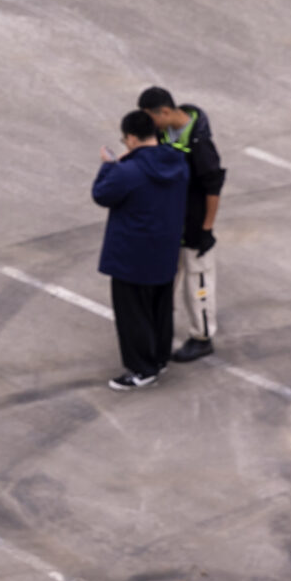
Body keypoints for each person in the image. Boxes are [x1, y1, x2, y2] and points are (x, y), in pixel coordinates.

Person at [92, 109, 188, 390]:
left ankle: (141, 369)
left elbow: (102, 194)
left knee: (132, 314)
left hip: (132, 255)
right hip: (164, 251)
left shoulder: (128, 172)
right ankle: (158, 359)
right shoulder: (179, 163)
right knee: (160, 308)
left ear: (132, 138)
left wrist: (109, 165)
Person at [137, 86, 225, 363]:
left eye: (149, 118)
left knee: (196, 280)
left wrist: (206, 228)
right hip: (169, 221)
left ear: (164, 112)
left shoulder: (199, 143)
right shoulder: (162, 134)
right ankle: (156, 324)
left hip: (193, 225)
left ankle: (202, 337)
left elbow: (213, 187)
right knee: (163, 275)